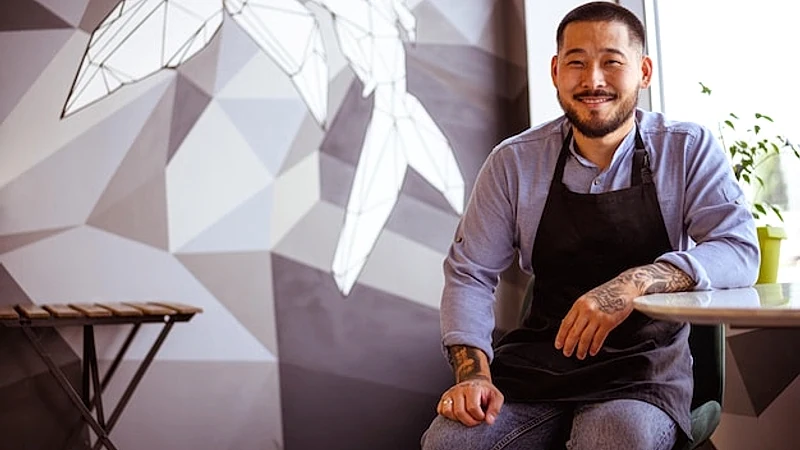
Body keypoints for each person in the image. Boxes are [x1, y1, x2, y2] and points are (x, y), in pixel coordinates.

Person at [420, 2, 759, 450]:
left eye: (612, 62)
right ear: (556, 70)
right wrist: (474, 376)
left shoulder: (686, 148)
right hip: (539, 365)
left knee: (610, 437)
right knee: (450, 443)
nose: (593, 80)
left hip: (643, 371)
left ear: (643, 71)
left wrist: (634, 282)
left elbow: (738, 249)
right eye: (576, 62)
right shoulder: (514, 162)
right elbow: (470, 273)